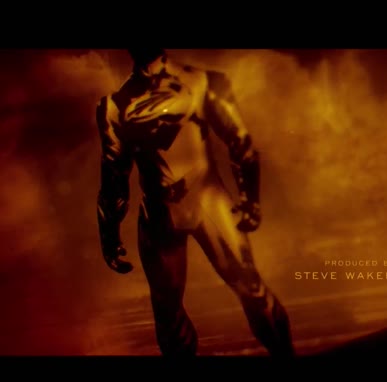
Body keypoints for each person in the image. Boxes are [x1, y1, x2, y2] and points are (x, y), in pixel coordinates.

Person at [95, 48, 295, 357]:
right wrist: (108, 233)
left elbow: (239, 142)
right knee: (168, 312)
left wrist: (250, 199)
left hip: (205, 199)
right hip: (161, 210)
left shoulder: (202, 82)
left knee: (250, 289)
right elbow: (114, 174)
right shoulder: (114, 105)